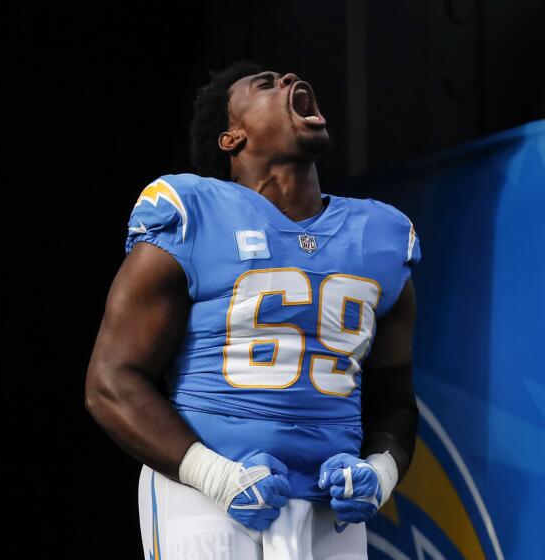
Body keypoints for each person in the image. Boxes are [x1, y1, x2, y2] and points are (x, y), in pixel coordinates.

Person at [84, 60, 421, 560]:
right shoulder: (193, 212)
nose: (287, 80)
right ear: (231, 137)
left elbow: (395, 398)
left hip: (331, 508)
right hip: (206, 495)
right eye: (266, 84)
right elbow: (111, 382)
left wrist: (380, 471)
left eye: (286, 78)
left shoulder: (381, 236)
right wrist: (214, 475)